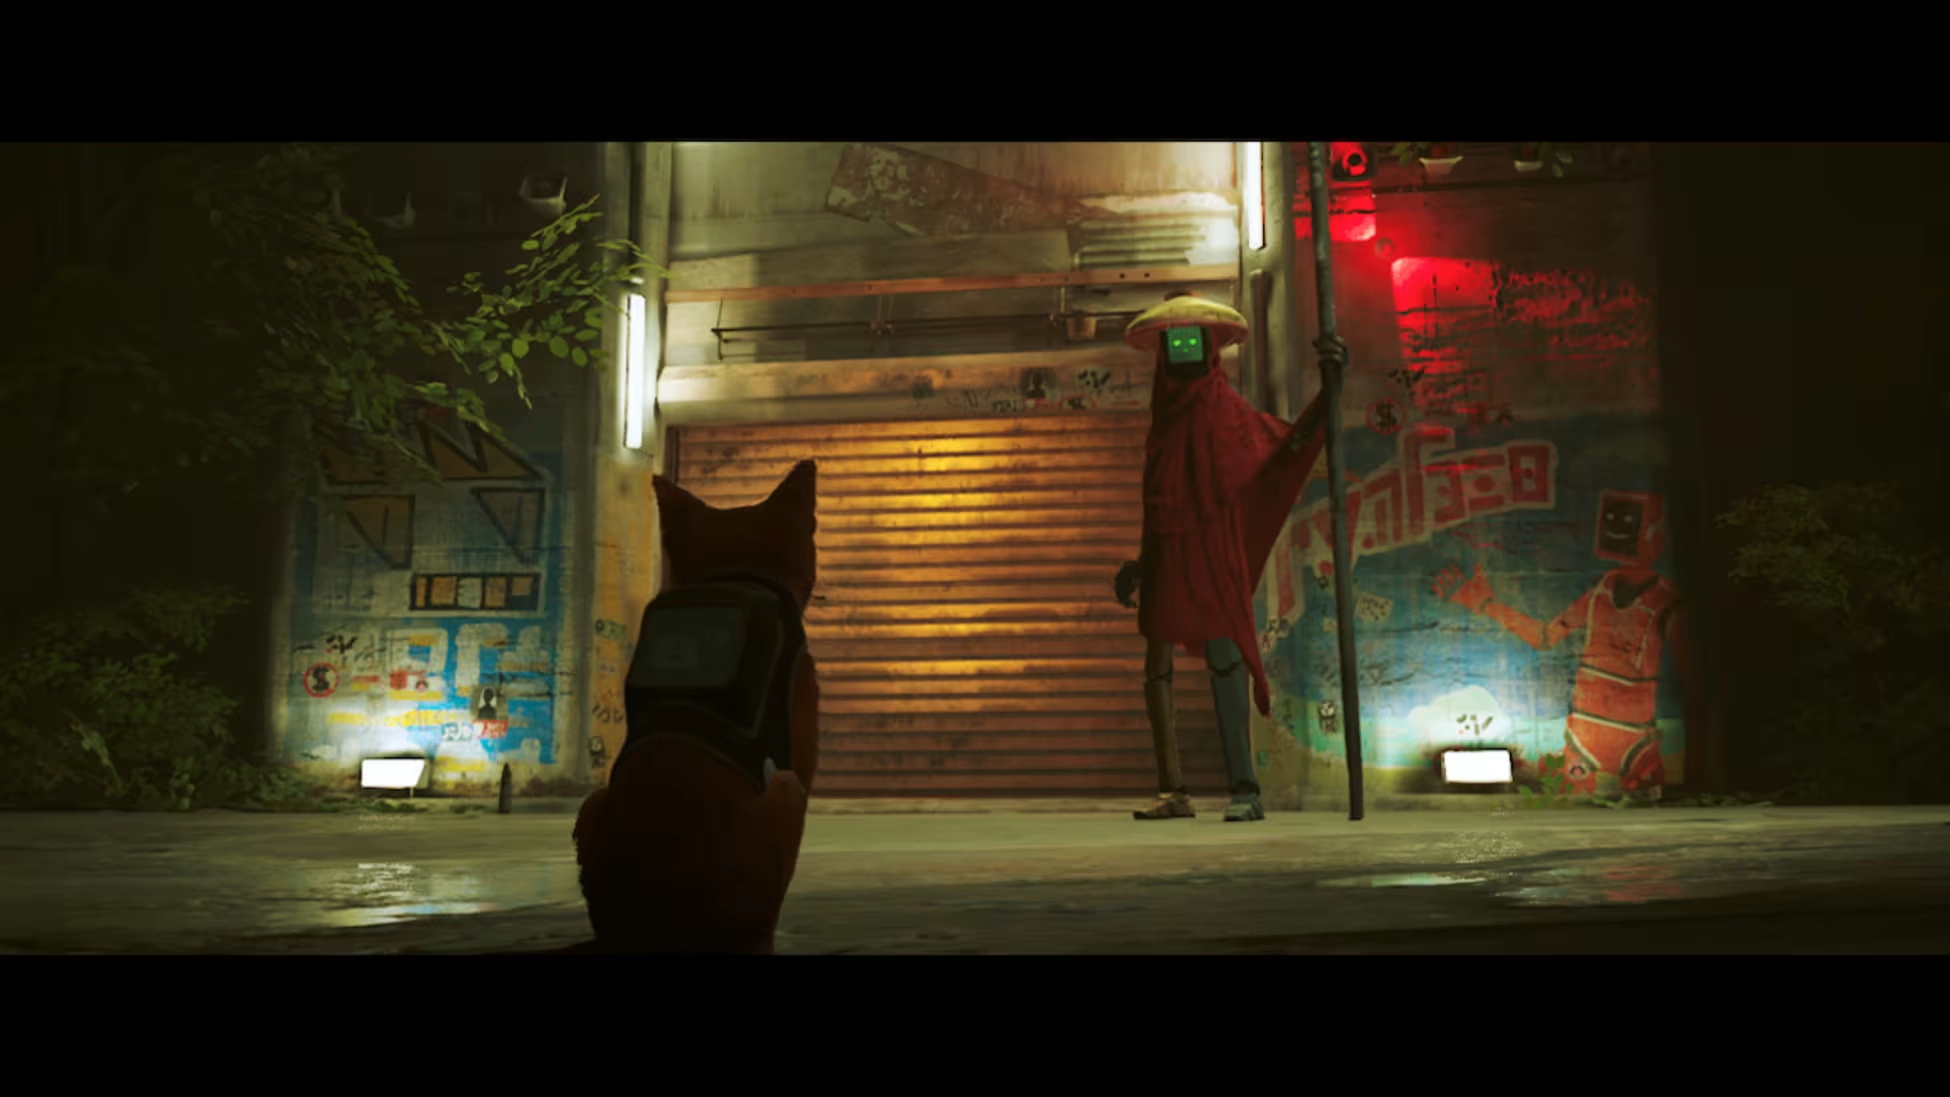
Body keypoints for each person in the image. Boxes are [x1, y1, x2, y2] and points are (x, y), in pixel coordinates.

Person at [1115, 292, 1329, 821]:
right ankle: (1172, 790)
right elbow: (1158, 499)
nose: (1182, 351)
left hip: (1211, 549)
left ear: (1209, 347)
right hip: (1167, 552)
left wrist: (1329, 394)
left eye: (1192, 341)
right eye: (1175, 343)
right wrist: (1142, 562)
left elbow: (1277, 449)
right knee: (1156, 665)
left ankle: (1245, 789)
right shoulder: (1163, 420)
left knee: (1224, 654)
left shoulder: (1224, 409)